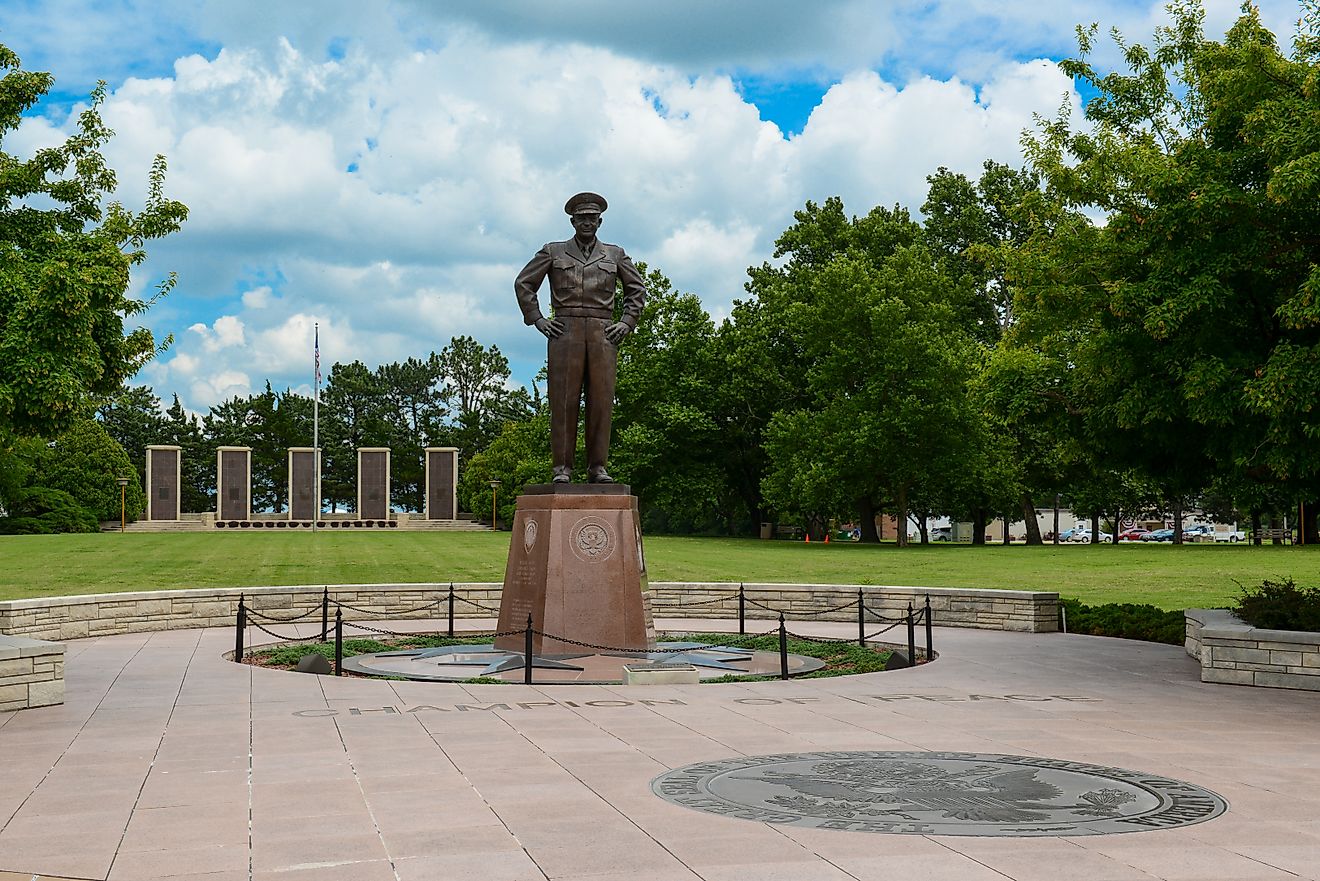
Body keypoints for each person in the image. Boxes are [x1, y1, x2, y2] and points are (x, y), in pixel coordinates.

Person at [514, 192, 646, 483]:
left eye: (592, 218)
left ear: (600, 221)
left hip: (603, 333)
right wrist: (537, 318)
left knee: (601, 401)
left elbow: (637, 290)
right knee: (564, 402)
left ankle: (598, 468)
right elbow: (524, 283)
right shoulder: (553, 251)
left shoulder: (615, 254)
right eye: (582, 218)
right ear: (573, 221)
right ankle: (562, 469)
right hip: (565, 331)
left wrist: (626, 322)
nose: (587, 222)